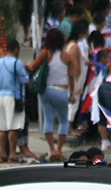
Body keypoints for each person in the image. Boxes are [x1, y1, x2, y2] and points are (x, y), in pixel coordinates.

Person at [30, 29, 78, 160]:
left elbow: (33, 67)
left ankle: (51, 149)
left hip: (46, 90)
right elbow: (71, 76)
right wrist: (72, 93)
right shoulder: (67, 56)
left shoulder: (45, 53)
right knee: (63, 120)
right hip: (61, 90)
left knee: (48, 119)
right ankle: (59, 149)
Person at [0, 39, 29, 164]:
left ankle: (2, 154)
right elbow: (25, 81)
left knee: (1, 128)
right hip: (13, 97)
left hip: (1, 96)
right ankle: (12, 154)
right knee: (13, 127)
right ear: (16, 50)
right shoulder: (17, 63)